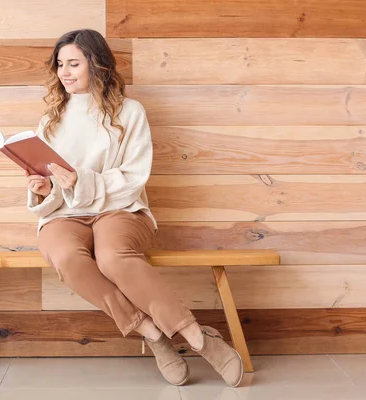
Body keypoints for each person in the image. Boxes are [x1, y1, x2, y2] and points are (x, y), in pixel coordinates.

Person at [25, 29, 243, 387]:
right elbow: (48, 181)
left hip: (121, 208)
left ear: (97, 64)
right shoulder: (50, 120)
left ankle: (198, 338)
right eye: (60, 64)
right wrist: (44, 188)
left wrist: (80, 180)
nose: (65, 72)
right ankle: (151, 333)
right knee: (64, 256)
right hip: (65, 212)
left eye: (74, 63)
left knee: (113, 257)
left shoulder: (130, 112)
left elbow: (134, 177)